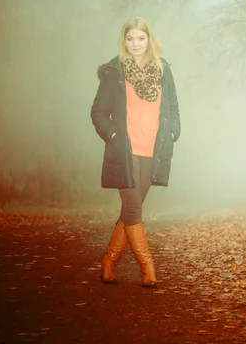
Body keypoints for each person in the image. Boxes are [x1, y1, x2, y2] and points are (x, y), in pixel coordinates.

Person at [90, 17, 181, 288]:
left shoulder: (164, 70)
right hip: (125, 151)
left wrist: (174, 132)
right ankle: (148, 268)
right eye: (130, 39)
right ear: (124, 40)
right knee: (133, 207)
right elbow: (98, 112)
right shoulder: (114, 71)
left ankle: (108, 262)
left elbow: (174, 108)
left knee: (132, 209)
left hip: (153, 150)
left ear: (149, 39)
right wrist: (113, 134)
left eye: (140, 38)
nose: (135, 44)